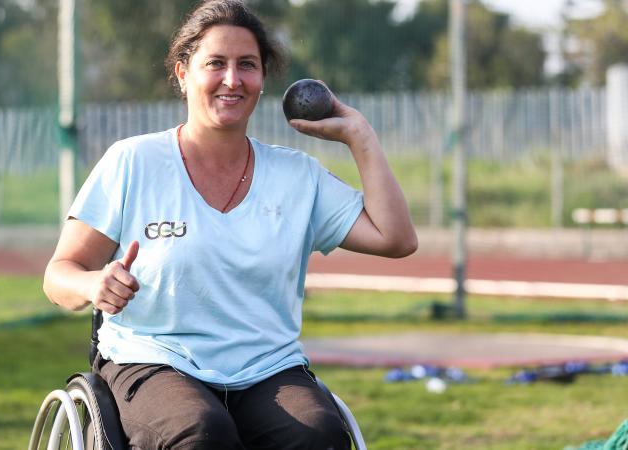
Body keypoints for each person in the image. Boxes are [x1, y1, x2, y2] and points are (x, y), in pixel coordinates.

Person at [43, 1, 417, 448]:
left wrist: (359, 135)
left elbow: (396, 238)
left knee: (318, 434)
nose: (232, 80)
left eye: (248, 66)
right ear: (183, 74)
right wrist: (93, 285)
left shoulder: (296, 177)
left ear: (263, 80)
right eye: (215, 63)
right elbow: (59, 274)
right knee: (203, 433)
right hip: (155, 360)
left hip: (267, 369)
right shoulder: (132, 162)